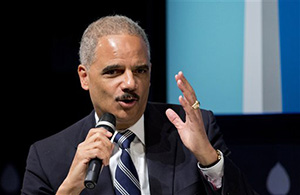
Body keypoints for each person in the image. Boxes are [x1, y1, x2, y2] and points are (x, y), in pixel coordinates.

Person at [21, 15, 258, 195]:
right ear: (84, 77)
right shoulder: (47, 157)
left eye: (140, 70)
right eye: (114, 72)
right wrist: (70, 188)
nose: (130, 83)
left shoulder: (195, 128)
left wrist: (209, 159)